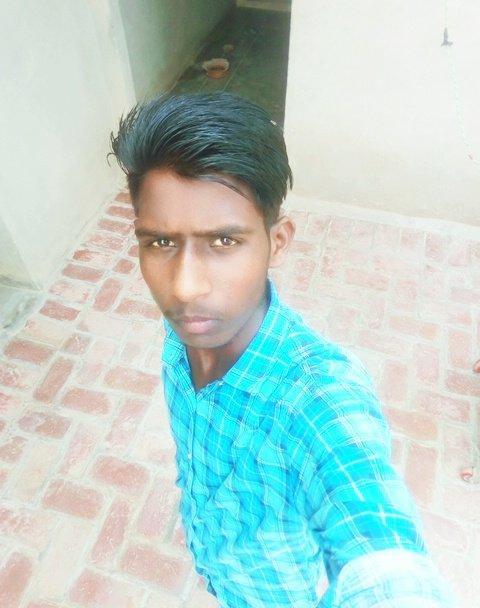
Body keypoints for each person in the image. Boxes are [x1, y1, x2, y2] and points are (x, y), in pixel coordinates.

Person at [109, 92, 453, 607]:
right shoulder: (189, 324)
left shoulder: (318, 401)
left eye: (223, 242)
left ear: (278, 241)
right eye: (160, 243)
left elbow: (382, 553)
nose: (184, 287)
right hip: (216, 562)